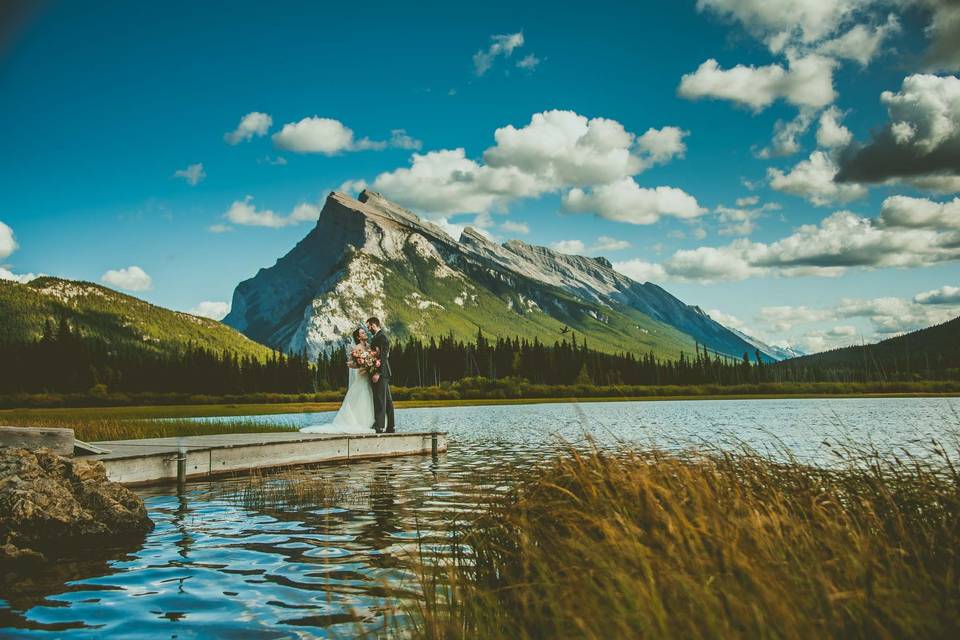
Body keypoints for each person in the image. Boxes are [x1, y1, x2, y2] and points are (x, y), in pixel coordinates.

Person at [300, 328, 375, 434]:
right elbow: (355, 364)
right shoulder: (357, 348)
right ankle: (360, 423)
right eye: (362, 333)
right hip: (362, 376)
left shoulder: (369, 346)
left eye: (364, 332)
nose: (365, 333)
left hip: (369, 376)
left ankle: (370, 421)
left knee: (369, 399)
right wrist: (363, 363)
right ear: (358, 337)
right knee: (362, 398)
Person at [366, 316, 396, 433]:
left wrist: (377, 372)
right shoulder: (378, 337)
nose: (369, 329)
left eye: (369, 327)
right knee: (388, 400)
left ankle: (379, 426)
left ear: (374, 325)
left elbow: (383, 356)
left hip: (381, 373)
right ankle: (391, 426)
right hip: (384, 373)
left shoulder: (381, 337)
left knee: (380, 399)